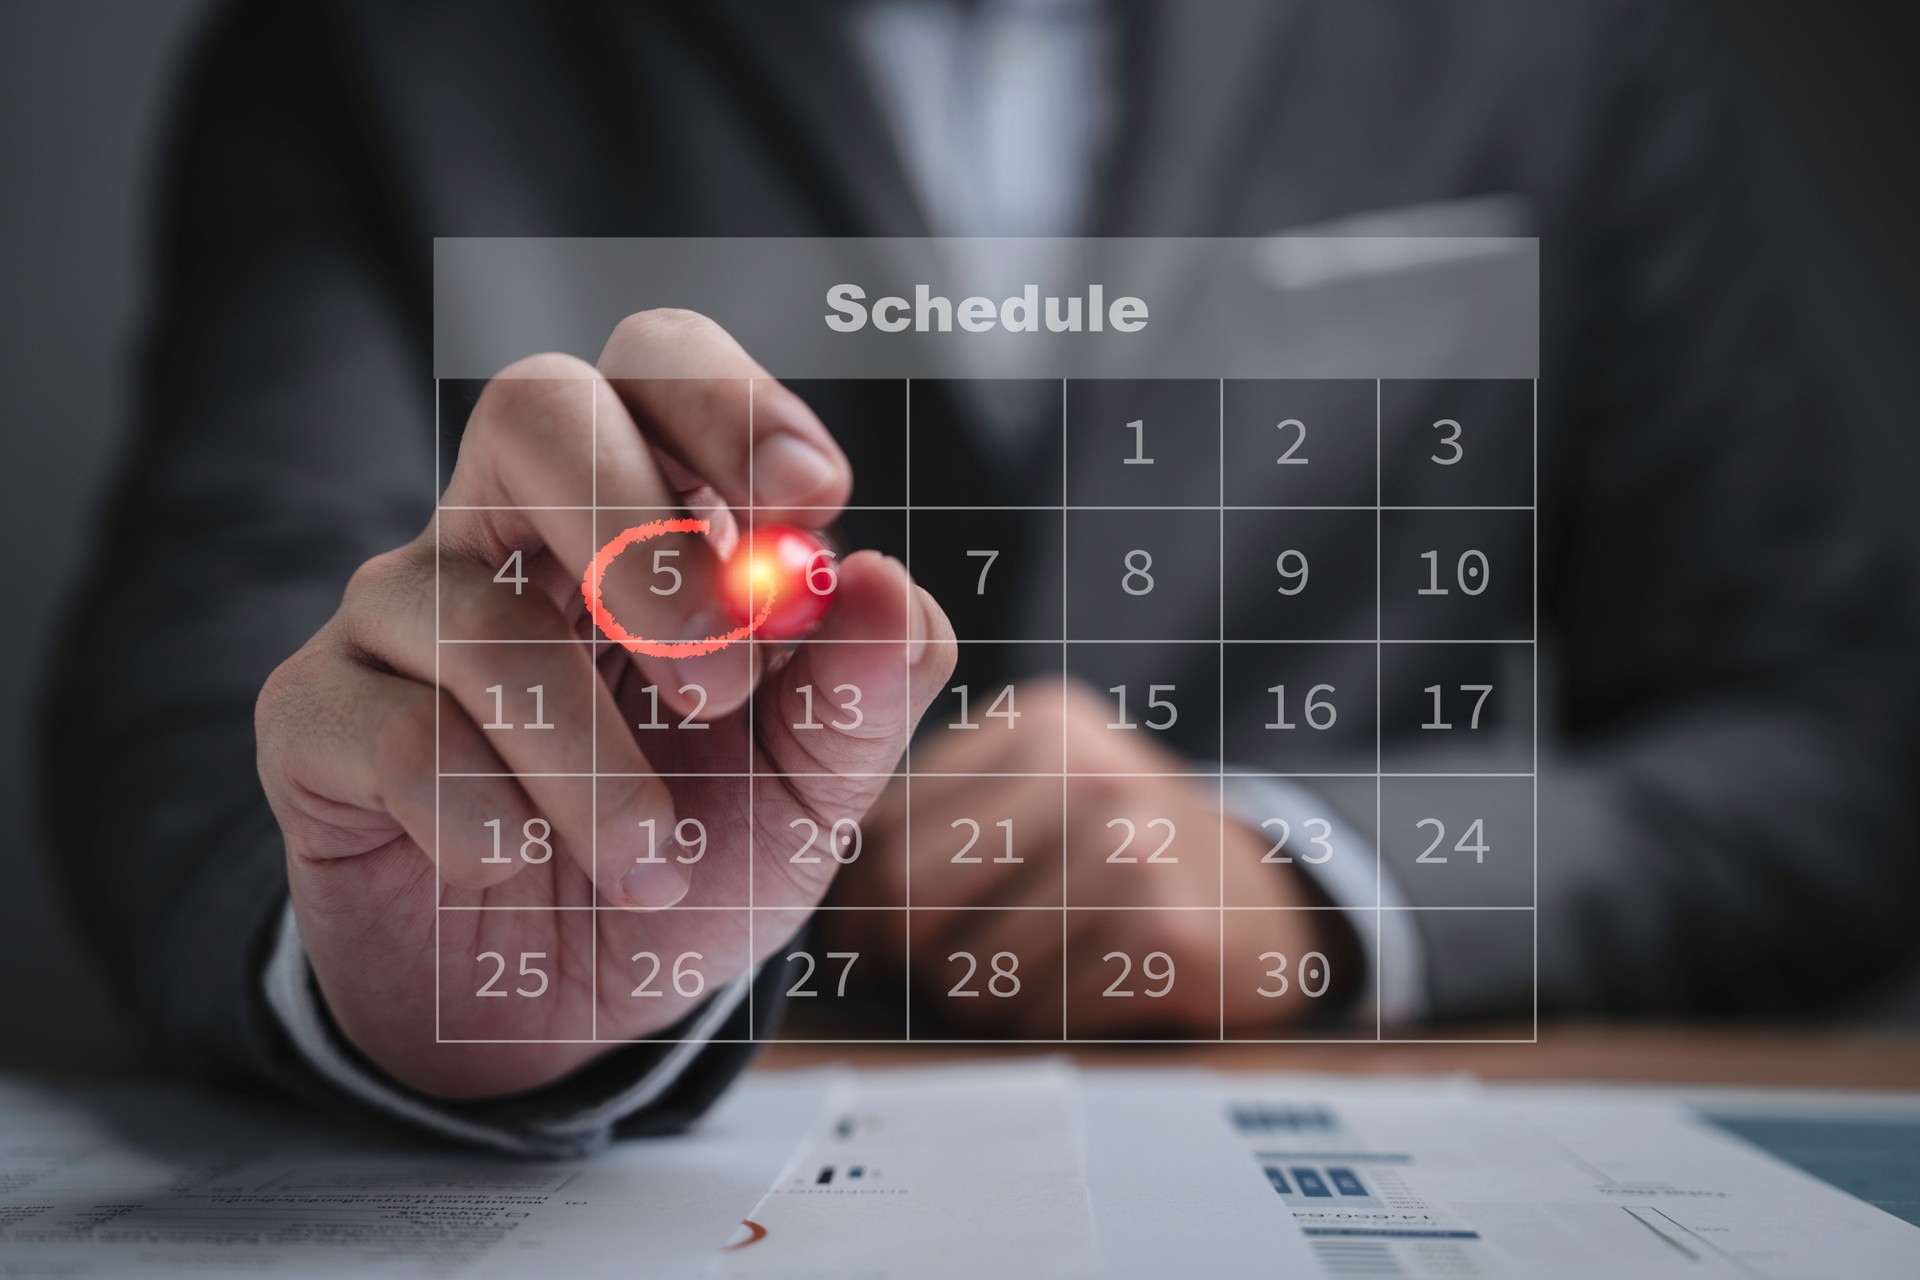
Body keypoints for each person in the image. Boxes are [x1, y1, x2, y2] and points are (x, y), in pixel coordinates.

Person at [39, 0, 1918, 1155]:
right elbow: (208, 681)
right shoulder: (377, 41)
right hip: (673, 1148)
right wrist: (439, 978)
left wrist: (1315, 877)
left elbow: (1852, 729)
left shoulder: (1559, 33)